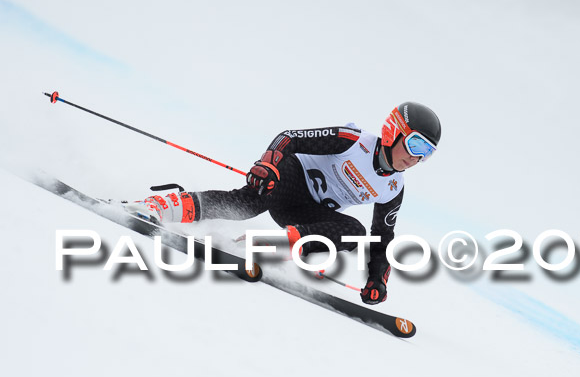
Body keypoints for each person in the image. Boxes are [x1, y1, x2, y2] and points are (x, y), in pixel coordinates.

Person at [134, 102, 441, 305]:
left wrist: (377, 280)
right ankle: (159, 207)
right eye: (416, 144)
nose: (417, 158)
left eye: (427, 154)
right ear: (394, 131)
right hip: (289, 177)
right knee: (246, 203)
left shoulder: (392, 188)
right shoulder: (354, 141)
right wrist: (269, 164)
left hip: (305, 212)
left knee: (355, 232)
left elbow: (382, 239)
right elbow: (290, 137)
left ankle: (258, 248)